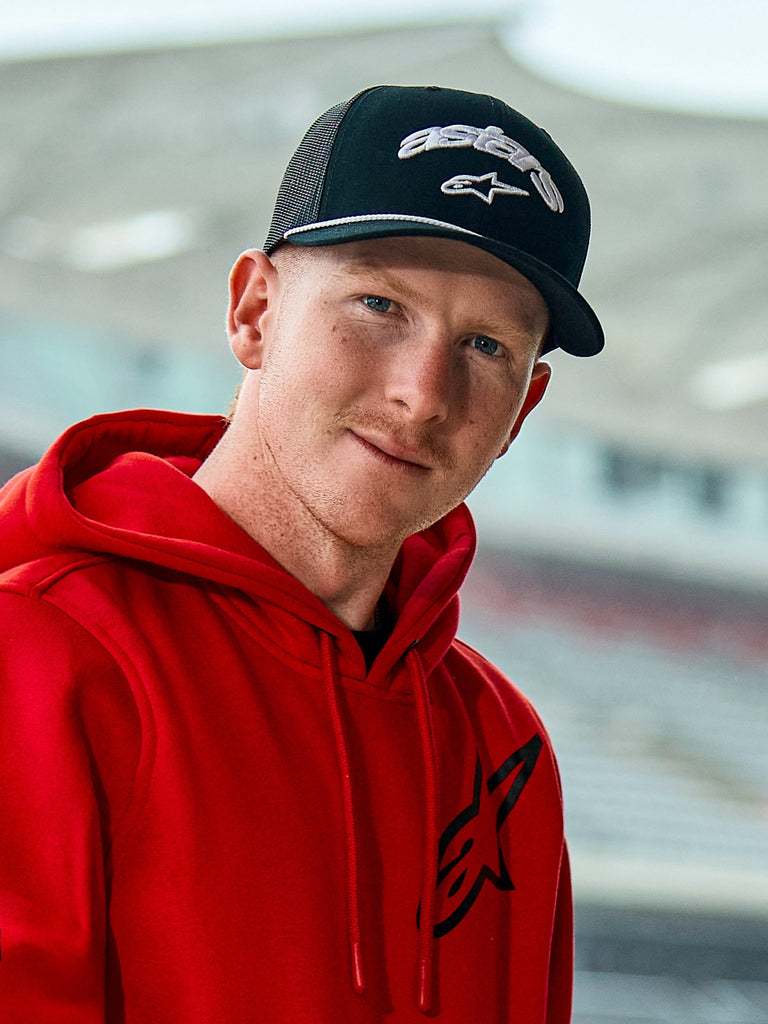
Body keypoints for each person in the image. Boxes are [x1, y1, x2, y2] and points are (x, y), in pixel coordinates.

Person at [0, 85, 603, 1022]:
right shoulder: (41, 654)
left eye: (486, 346)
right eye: (378, 303)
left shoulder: (503, 741)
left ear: (523, 410)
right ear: (254, 312)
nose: (423, 394)